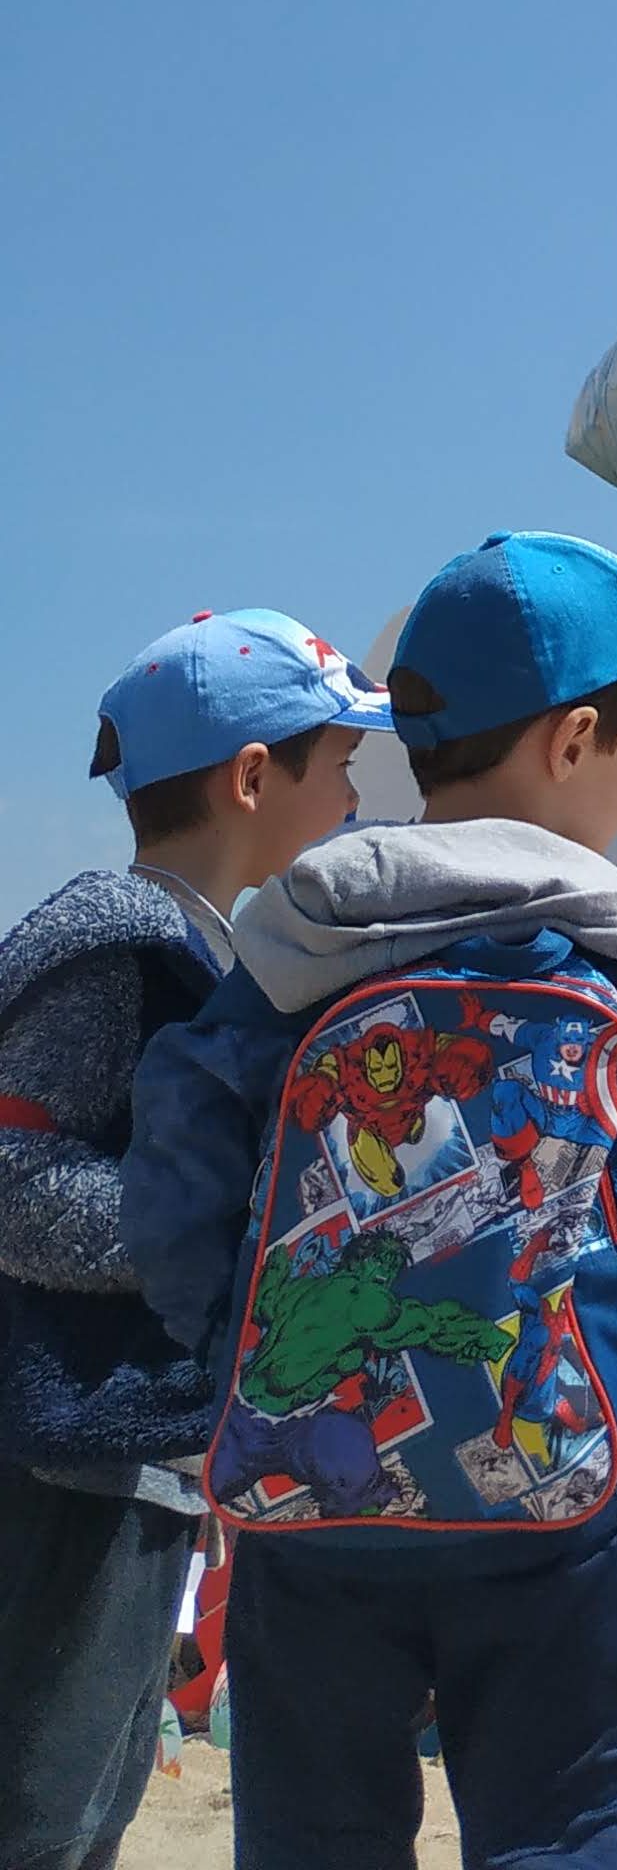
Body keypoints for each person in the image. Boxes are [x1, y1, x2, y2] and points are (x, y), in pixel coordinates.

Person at [126, 533, 617, 1870]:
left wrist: (227, 1354)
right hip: (556, 1491)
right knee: (573, 1810)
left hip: (316, 1481)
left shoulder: (300, 952)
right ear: (575, 740)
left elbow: (175, 1173)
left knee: (316, 1825)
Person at [0, 611, 390, 1870]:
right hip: (65, 1457)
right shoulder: (118, 945)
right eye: (340, 762)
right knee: (43, 1816)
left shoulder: (196, 949)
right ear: (252, 774)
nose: (355, 795)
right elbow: (14, 1178)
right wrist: (229, 1233)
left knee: (89, 1806)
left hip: (128, 1452)